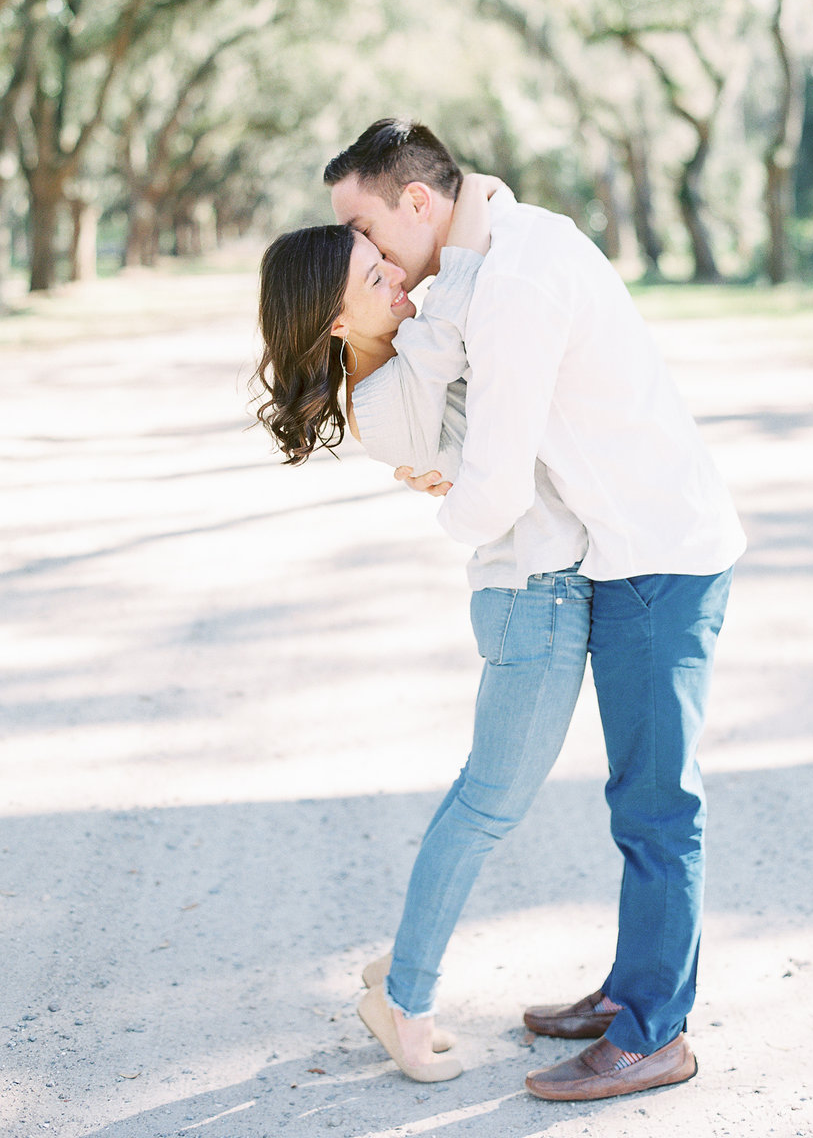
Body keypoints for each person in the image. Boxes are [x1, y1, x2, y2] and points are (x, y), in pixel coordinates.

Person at [323, 119, 746, 1102]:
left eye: (368, 229)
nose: (372, 256)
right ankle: (632, 990)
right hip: (622, 549)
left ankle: (652, 1034)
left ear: (417, 202)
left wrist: (451, 489)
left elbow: (497, 487)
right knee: (633, 796)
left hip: (656, 555)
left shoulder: (511, 283)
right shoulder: (501, 248)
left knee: (656, 804)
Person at [254, 174, 594, 1084]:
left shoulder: (394, 367)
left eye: (384, 264)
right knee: (487, 804)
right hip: (535, 595)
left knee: (484, 801)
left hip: (545, 587)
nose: (401, 283)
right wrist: (478, 192)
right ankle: (403, 998)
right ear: (334, 324)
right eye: (375, 280)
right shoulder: (392, 389)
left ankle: (393, 973)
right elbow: (462, 288)